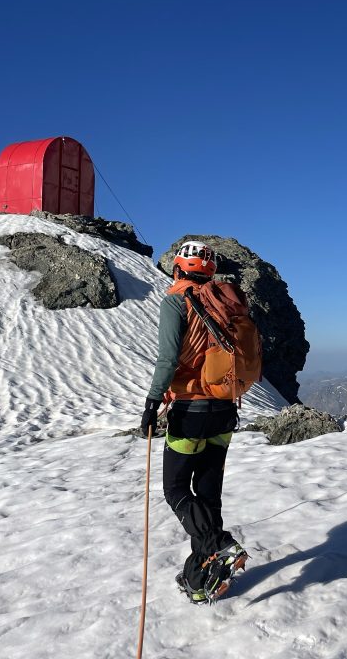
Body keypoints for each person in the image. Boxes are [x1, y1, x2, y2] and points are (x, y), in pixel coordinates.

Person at [141, 240, 247, 603]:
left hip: (190, 410)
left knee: (175, 490)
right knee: (207, 494)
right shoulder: (226, 303)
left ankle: (220, 545)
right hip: (224, 411)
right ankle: (199, 578)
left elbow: (167, 359)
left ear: (177, 270)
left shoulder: (176, 302)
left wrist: (152, 402)